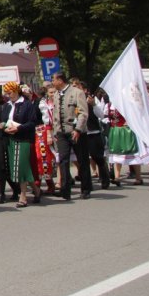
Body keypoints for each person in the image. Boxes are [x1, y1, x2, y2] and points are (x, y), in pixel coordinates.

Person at [49, 71, 91, 200]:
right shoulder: (56, 94)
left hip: (76, 131)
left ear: (60, 80)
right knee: (63, 160)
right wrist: (55, 131)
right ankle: (65, 189)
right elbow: (55, 114)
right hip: (62, 132)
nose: (52, 82)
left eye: (54, 80)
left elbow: (83, 113)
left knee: (82, 160)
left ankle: (86, 188)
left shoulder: (77, 92)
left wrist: (78, 129)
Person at [1, 81, 42, 207]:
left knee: (21, 167)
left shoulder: (27, 104)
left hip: (24, 139)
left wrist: (18, 128)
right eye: (7, 93)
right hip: (11, 139)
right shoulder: (7, 105)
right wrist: (3, 126)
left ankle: (23, 196)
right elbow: (4, 120)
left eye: (10, 93)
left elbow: (32, 122)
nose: (8, 95)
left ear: (16, 91)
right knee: (17, 167)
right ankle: (36, 190)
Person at [105, 92, 149, 185]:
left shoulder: (126, 104)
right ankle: (117, 177)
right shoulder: (109, 105)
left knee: (132, 154)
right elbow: (105, 116)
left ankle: (138, 177)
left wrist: (129, 122)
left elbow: (135, 114)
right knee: (117, 154)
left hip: (126, 130)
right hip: (115, 131)